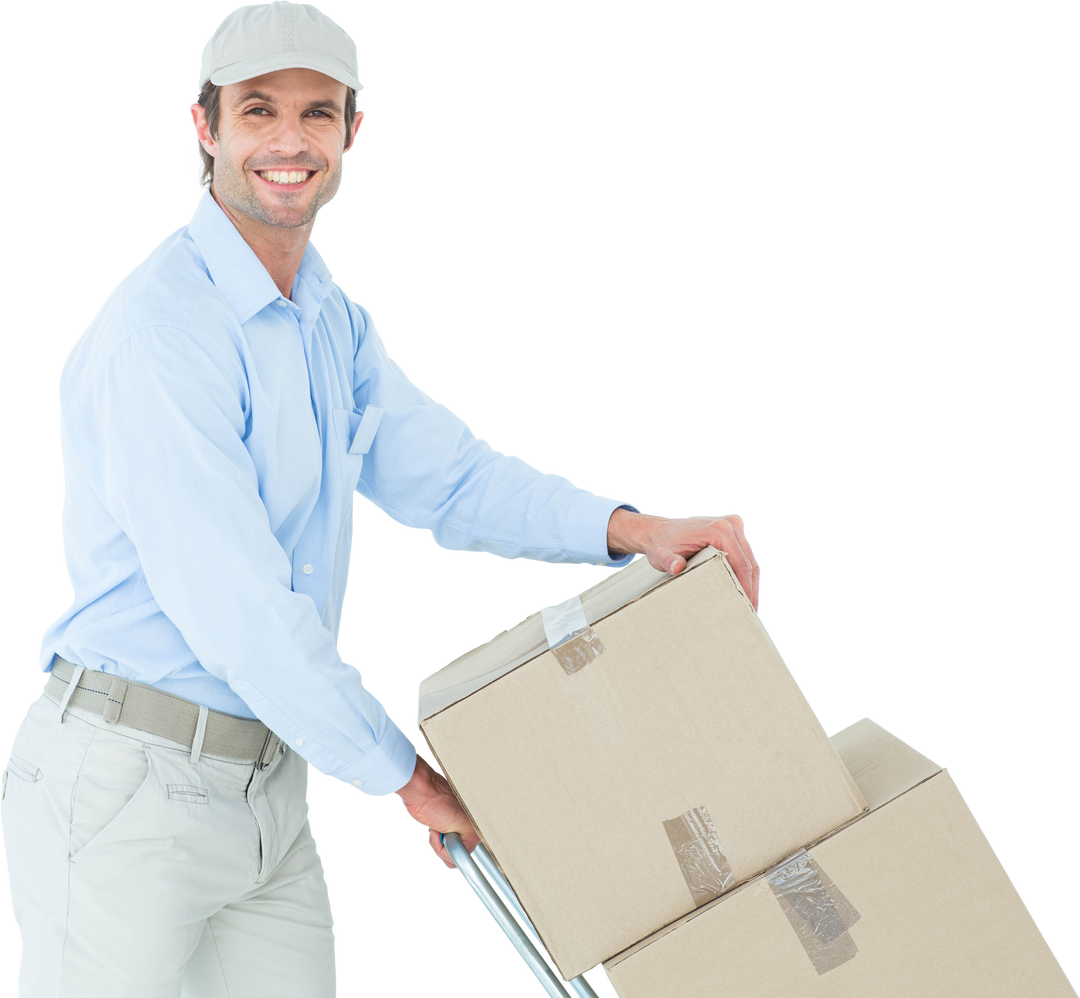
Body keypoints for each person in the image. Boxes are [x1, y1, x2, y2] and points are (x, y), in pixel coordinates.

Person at [0, 3, 760, 996]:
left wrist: (635, 530)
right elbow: (239, 608)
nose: (288, 142)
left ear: (354, 131)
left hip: (270, 783)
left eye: (318, 114)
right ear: (206, 128)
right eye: (259, 110)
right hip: (128, 789)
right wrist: (408, 775)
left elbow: (450, 476)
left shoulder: (325, 315)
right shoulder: (162, 334)